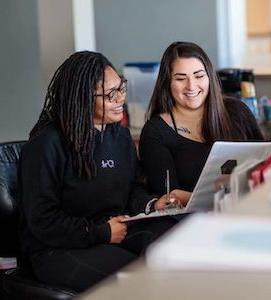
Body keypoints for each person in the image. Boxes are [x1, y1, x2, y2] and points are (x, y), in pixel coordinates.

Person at [19, 51, 179, 292]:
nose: (120, 99)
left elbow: (131, 188)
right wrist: (100, 233)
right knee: (140, 282)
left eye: (121, 88)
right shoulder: (47, 144)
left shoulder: (119, 135)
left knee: (173, 246)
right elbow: (43, 221)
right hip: (59, 248)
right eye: (110, 95)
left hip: (113, 229)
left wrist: (151, 205)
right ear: (82, 98)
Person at [139, 41, 264, 210]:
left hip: (249, 210)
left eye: (199, 76)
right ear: (167, 82)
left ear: (209, 77)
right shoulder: (155, 132)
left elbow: (262, 159)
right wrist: (225, 199)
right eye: (181, 78)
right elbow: (169, 198)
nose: (191, 86)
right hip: (192, 223)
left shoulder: (237, 111)